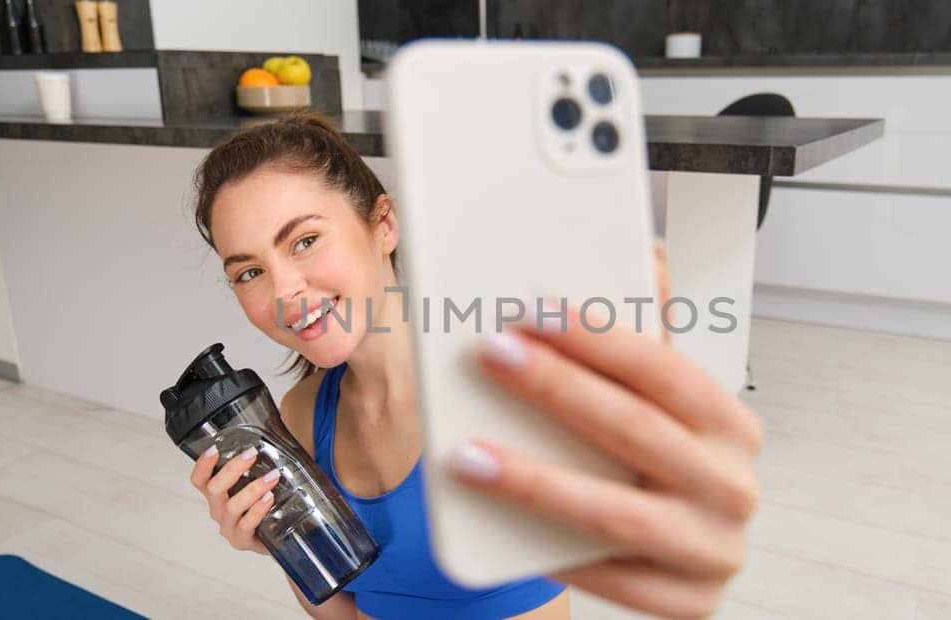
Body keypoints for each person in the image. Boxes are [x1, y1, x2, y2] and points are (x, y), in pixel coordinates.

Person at [186, 113, 764, 619]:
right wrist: (286, 544)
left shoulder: (498, 394)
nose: (285, 291)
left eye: (305, 241)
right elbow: (349, 614)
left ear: (383, 224)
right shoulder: (306, 415)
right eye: (249, 272)